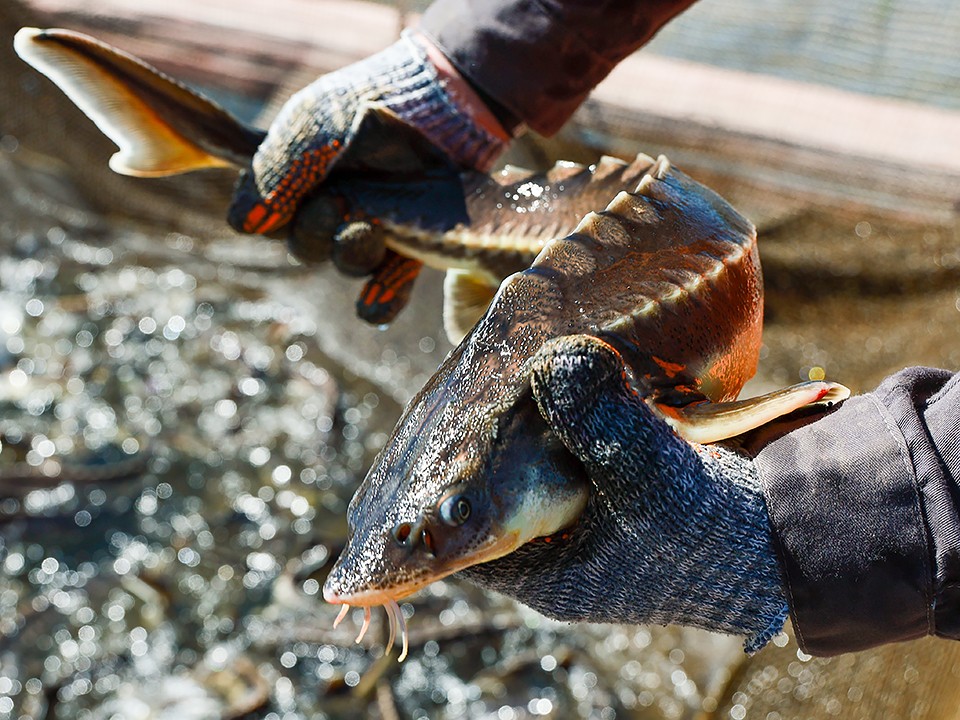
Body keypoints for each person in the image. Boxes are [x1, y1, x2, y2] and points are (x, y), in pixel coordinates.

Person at [227, 0, 960, 656]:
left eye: (458, 511)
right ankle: (397, 155)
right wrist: (462, 77)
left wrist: (802, 526)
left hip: (691, 246)